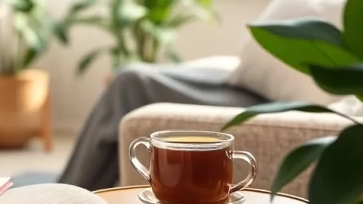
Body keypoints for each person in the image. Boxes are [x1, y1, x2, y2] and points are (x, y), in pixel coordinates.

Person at [57, 58, 266, 191]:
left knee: (129, 83)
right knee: (128, 75)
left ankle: (68, 196)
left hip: (262, 94)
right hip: (242, 78)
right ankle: (69, 196)